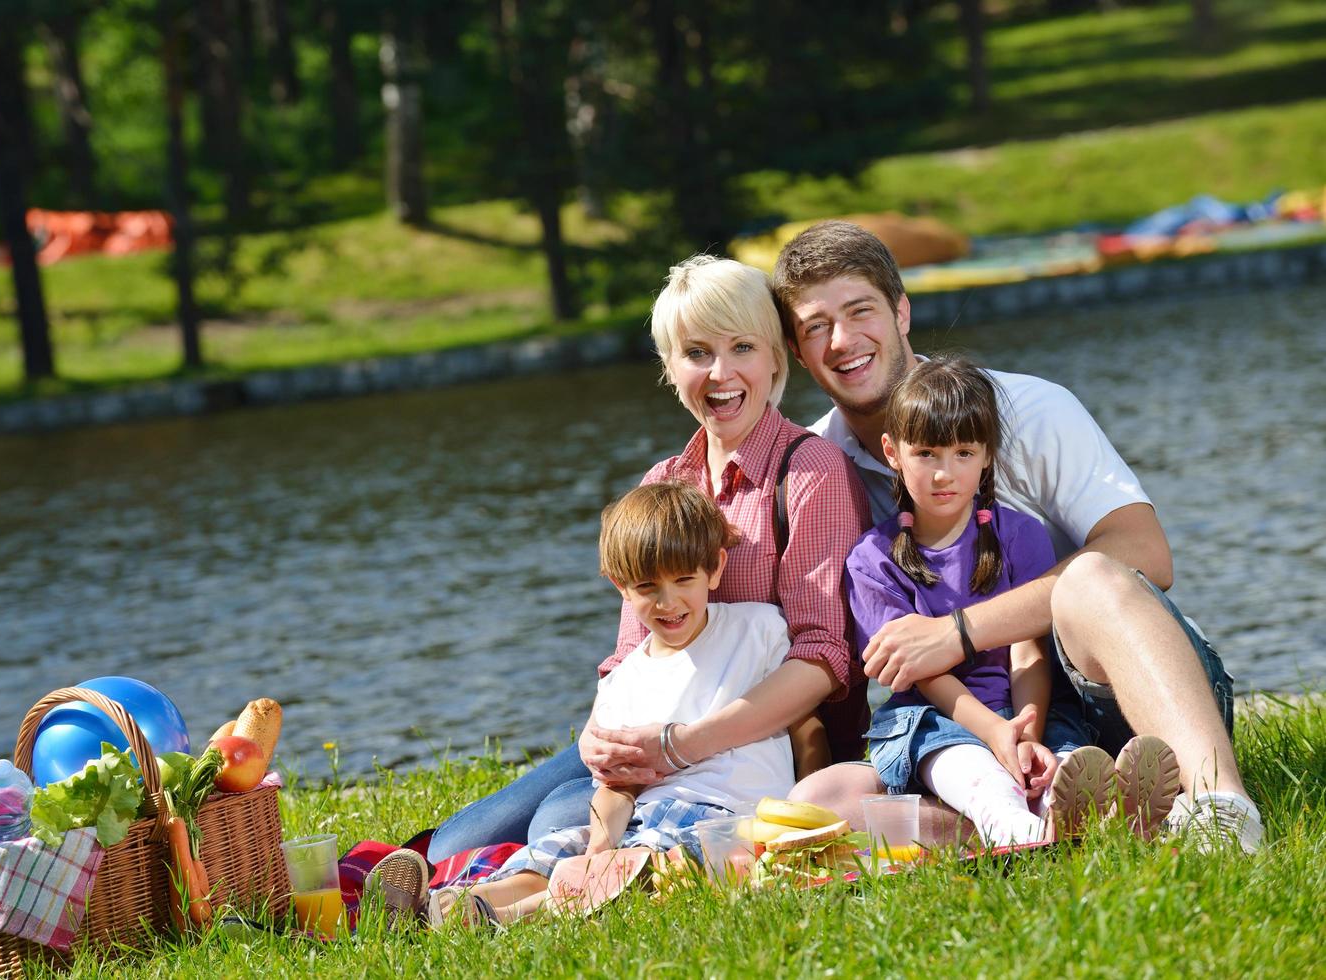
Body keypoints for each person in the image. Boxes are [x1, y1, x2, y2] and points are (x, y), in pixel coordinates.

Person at [772, 220, 1262, 851]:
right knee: (825, 801)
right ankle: (1061, 822)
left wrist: (960, 633)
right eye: (815, 327)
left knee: (1087, 578)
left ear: (901, 312)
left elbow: (1146, 552)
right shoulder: (819, 467)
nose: (841, 341)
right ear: (797, 350)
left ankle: (1220, 808)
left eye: (859, 310)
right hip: (973, 730)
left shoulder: (1027, 409)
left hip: (1129, 692)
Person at [427, 256, 871, 863]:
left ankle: (535, 880)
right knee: (453, 842)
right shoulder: (665, 480)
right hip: (661, 726)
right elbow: (630, 655)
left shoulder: (810, 472)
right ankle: (441, 883)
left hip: (761, 744)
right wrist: (601, 736)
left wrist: (681, 745)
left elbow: (823, 658)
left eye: (742, 346)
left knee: (555, 818)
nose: (720, 374)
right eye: (695, 353)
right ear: (669, 367)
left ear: (776, 356)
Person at [417, 481, 798, 926]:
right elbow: (617, 787)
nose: (668, 601)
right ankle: (450, 903)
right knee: (554, 854)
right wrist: (600, 843)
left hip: (726, 817)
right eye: (647, 586)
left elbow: (802, 720)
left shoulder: (759, 628)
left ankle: (508, 915)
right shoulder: (623, 682)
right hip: (645, 814)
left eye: (684, 580)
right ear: (622, 587)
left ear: (714, 569)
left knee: (656, 866)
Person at [850, 353, 1179, 846]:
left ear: (987, 456)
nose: (945, 473)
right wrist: (992, 732)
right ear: (892, 452)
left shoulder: (1020, 535)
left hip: (1024, 706)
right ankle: (1013, 828)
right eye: (927, 454)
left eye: (964, 453)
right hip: (937, 719)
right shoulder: (872, 560)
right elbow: (922, 674)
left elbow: (1028, 648)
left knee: (1063, 762)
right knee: (975, 773)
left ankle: (1109, 813)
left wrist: (1026, 731)